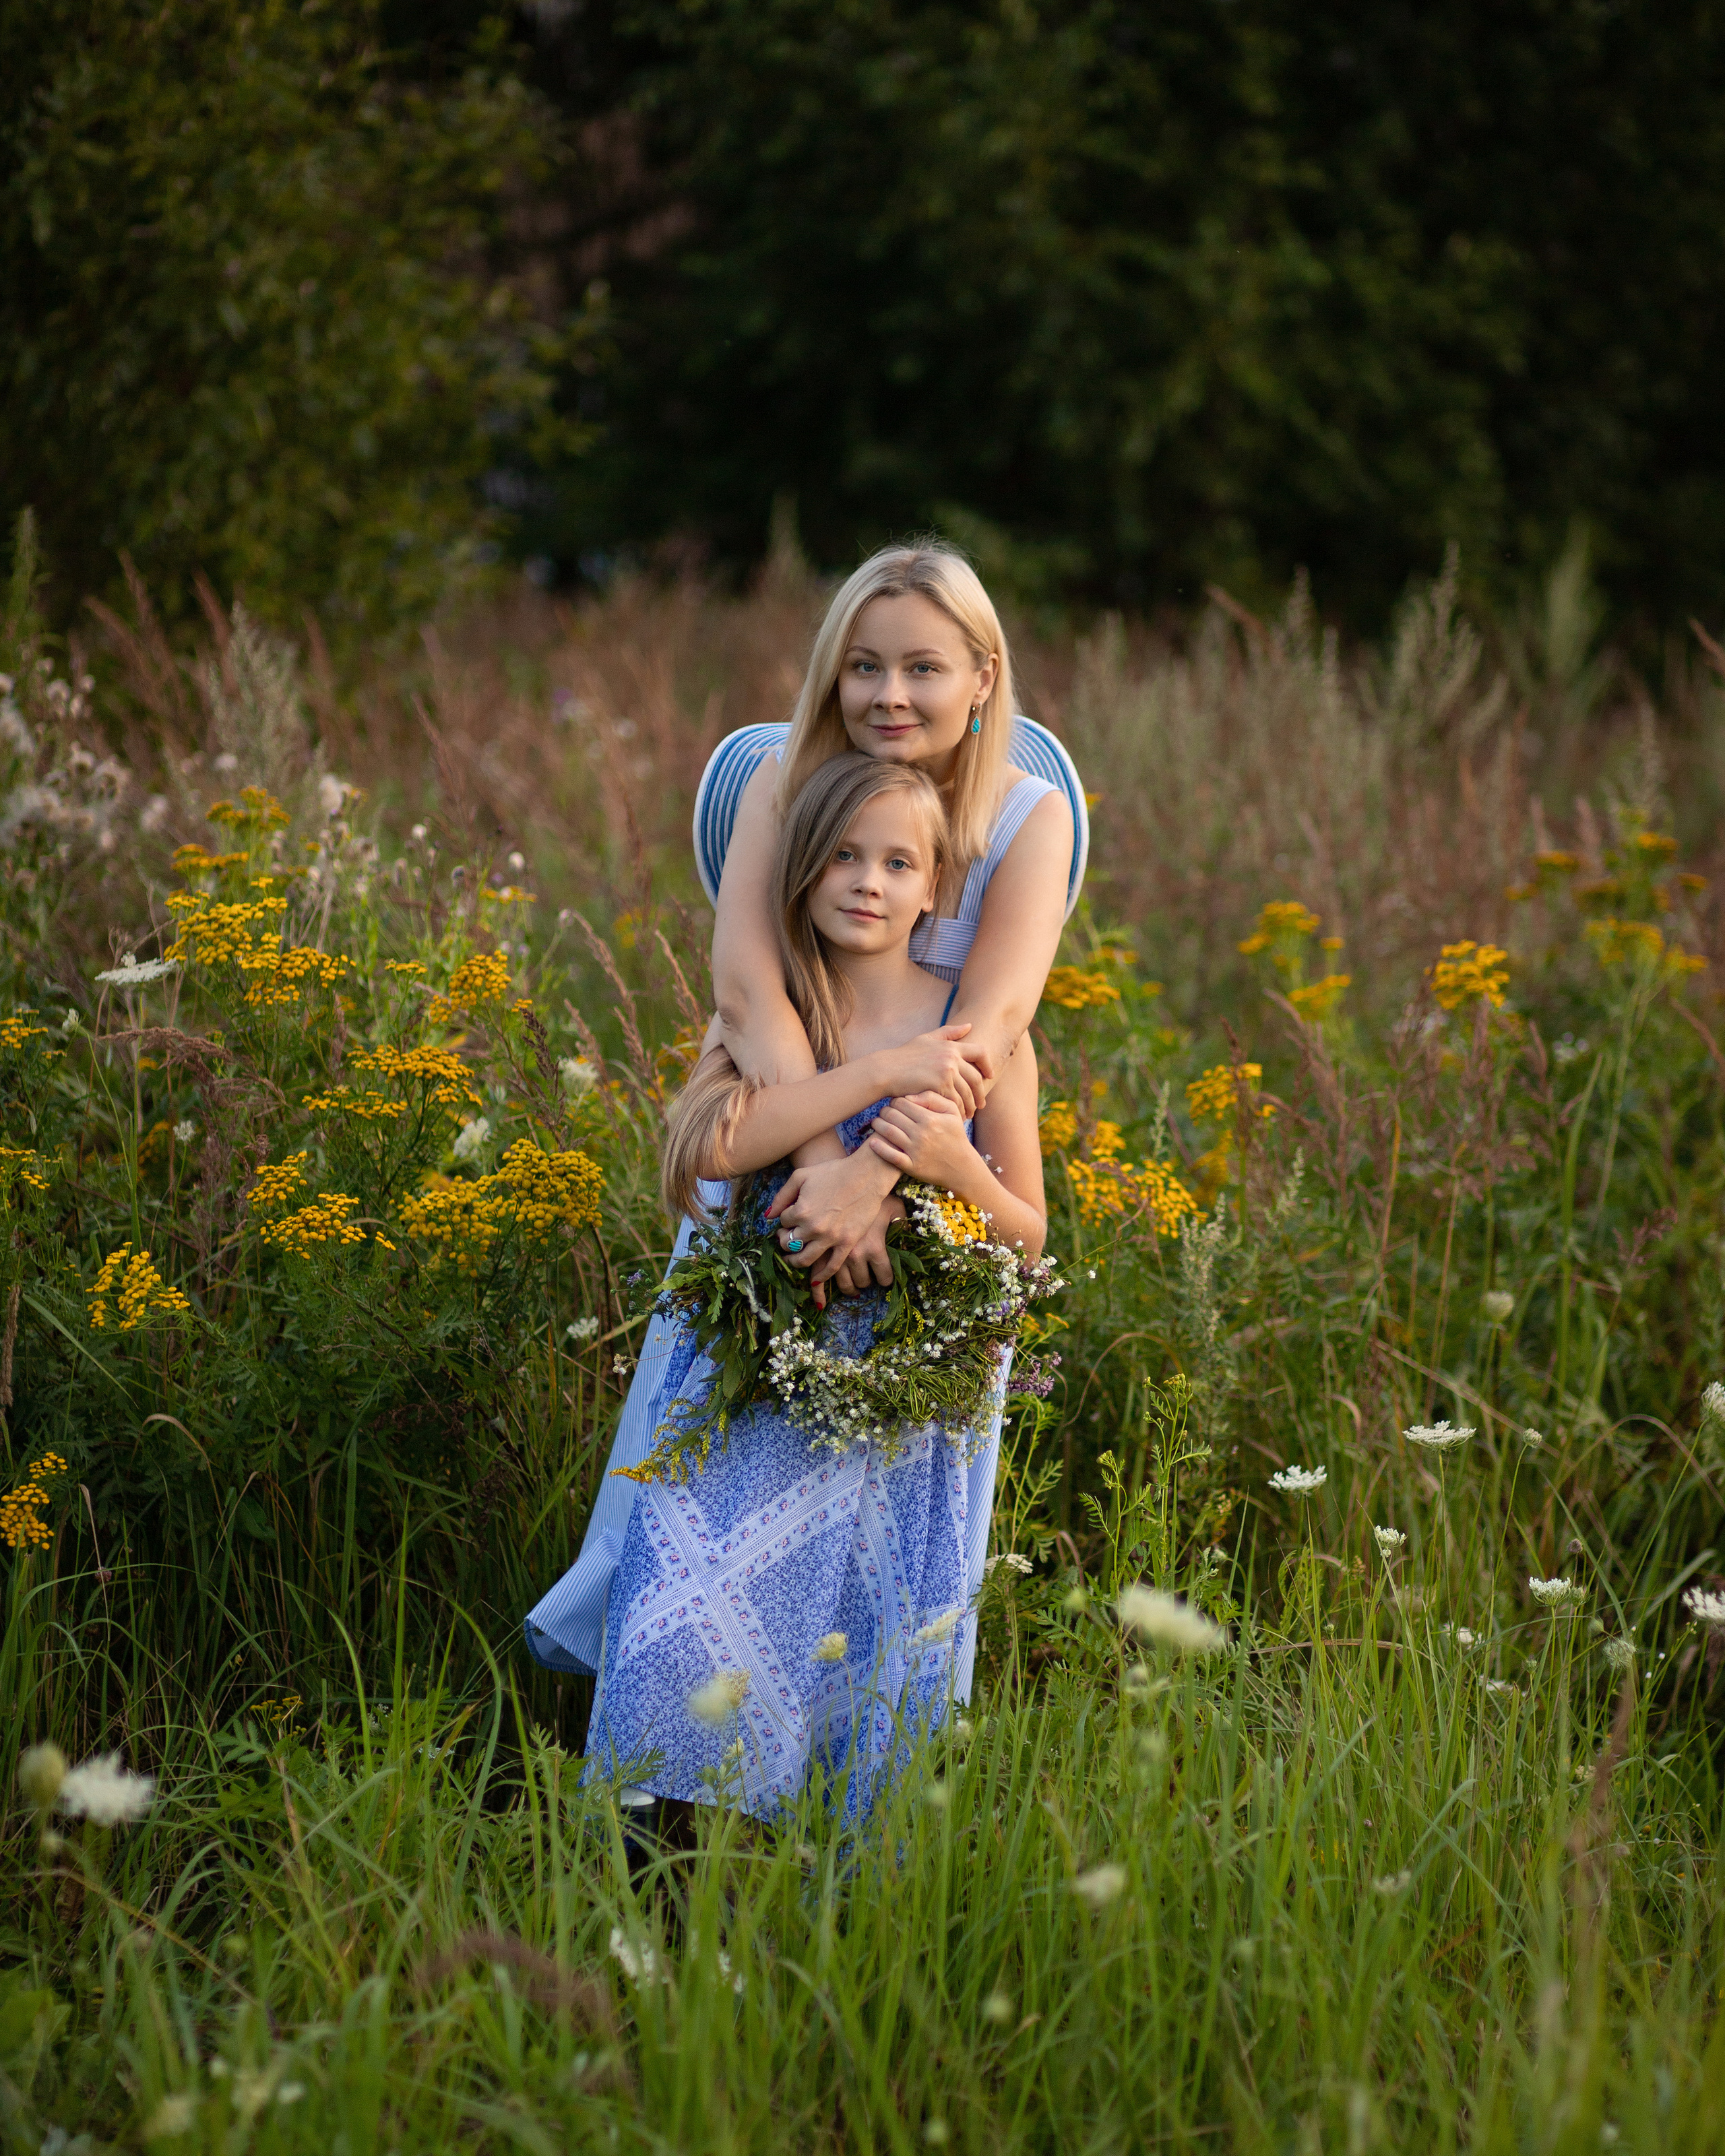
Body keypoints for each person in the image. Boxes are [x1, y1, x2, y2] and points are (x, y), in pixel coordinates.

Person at [525, 540, 1084, 1676]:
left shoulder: (1029, 817)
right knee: (725, 1481)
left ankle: (853, 1746)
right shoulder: (786, 779)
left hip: (933, 1181)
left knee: (882, 1534)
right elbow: (747, 992)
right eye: (863, 666)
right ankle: (679, 1714)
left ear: (983, 676)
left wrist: (876, 1178)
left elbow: (990, 1024)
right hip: (781, 1146)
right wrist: (825, 1165)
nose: (889, 695)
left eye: (923, 668)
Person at [534, 754, 1046, 1819]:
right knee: (685, 1631)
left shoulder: (977, 1034)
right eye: (844, 856)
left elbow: (1028, 1236)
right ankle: (656, 1863)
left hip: (895, 1416)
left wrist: (953, 1169)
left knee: (853, 1654)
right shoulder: (774, 1015)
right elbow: (710, 1149)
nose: (868, 881)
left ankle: (818, 1891)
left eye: (898, 863)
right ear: (802, 870)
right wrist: (881, 1076)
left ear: (937, 886)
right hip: (746, 1391)